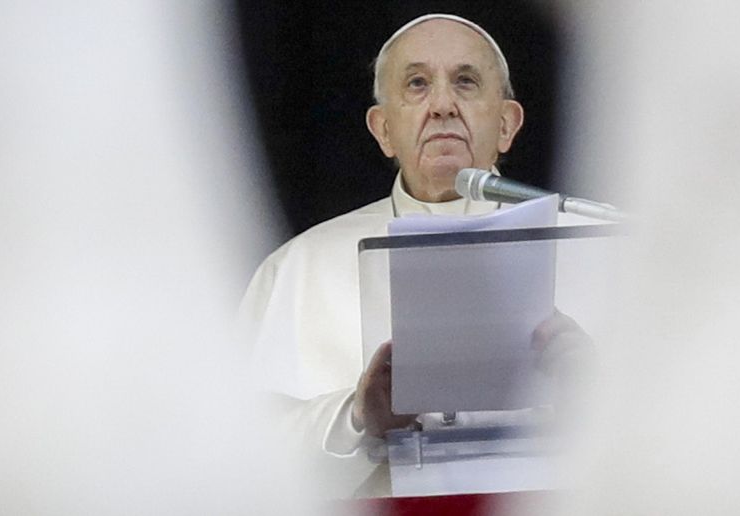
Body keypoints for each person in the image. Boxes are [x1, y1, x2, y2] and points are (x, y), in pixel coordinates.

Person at [239, 13, 595, 497]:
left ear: (508, 124)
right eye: (417, 84)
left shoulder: (590, 244)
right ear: (383, 129)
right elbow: (240, 450)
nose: (443, 105)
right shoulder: (296, 269)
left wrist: (595, 392)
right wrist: (359, 417)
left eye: (466, 82)